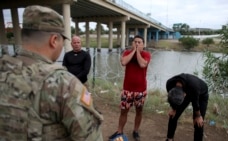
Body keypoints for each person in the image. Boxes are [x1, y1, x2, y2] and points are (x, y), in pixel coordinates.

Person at [0, 5, 103, 140]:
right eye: (63, 40)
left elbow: (85, 70)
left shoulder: (3, 69)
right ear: (54, 40)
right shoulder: (65, 85)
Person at [109, 35, 151, 141]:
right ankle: (119, 131)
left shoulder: (146, 54)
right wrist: (134, 51)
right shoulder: (127, 53)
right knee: (124, 111)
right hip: (127, 89)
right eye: (135, 42)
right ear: (132, 43)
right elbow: (123, 62)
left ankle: (136, 131)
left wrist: (137, 52)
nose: (137, 44)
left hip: (140, 90)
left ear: (143, 44)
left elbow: (142, 64)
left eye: (139, 42)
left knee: (139, 111)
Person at [165, 73, 209, 141]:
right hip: (186, 91)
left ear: (184, 94)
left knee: (198, 122)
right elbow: (172, 98)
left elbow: (196, 103)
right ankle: (169, 139)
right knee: (173, 116)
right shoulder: (169, 83)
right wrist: (173, 109)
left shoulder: (194, 86)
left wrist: (198, 116)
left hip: (201, 95)